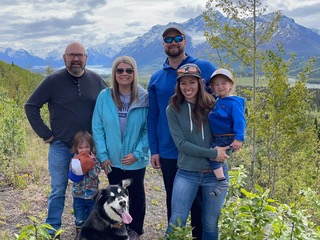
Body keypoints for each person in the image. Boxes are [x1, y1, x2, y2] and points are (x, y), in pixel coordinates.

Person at [24, 42, 107, 237]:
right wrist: (46, 133)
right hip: (61, 145)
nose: (76, 59)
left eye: (80, 55)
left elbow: (109, 104)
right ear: (64, 58)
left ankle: (88, 226)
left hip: (88, 149)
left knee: (90, 189)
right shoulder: (53, 80)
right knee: (58, 189)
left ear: (86, 58)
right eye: (72, 55)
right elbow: (31, 106)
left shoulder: (96, 80)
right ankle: (53, 229)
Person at [147, 25, 216, 238]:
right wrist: (154, 150)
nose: (173, 42)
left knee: (201, 207)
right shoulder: (156, 78)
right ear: (163, 45)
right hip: (169, 150)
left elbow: (223, 100)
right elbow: (153, 116)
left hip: (201, 151)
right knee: (174, 205)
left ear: (185, 41)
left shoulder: (203, 67)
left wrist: (229, 138)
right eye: (168, 39)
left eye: (178, 38)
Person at [165, 63, 230, 240]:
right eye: (183, 83)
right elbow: (182, 144)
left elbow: (228, 132)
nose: (187, 87)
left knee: (210, 224)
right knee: (176, 221)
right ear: (178, 85)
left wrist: (227, 150)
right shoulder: (173, 109)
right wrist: (213, 154)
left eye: (192, 82)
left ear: (200, 83)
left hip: (215, 175)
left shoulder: (214, 105)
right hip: (187, 172)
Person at [92, 56, 149, 240]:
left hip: (135, 160)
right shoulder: (104, 96)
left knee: (136, 194)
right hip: (112, 159)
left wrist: (137, 153)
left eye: (129, 70)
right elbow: (97, 127)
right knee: (115, 197)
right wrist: (103, 155)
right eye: (120, 70)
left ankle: (135, 230)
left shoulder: (143, 97)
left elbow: (149, 129)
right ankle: (118, 227)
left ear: (134, 73)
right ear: (114, 73)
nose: (124, 74)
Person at [208, 68, 246, 197]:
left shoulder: (233, 102)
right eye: (216, 84)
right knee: (216, 157)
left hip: (227, 137)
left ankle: (222, 181)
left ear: (231, 85)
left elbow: (240, 120)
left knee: (213, 155)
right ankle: (221, 181)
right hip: (220, 136)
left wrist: (239, 138)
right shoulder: (219, 100)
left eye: (224, 83)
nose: (220, 86)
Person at [68, 130, 101, 240]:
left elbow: (95, 174)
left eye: (87, 147)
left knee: (92, 217)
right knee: (79, 217)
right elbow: (74, 177)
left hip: (92, 195)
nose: (84, 150)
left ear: (91, 147)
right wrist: (80, 165)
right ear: (76, 148)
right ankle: (79, 234)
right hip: (78, 195)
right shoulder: (74, 160)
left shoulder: (95, 159)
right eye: (81, 147)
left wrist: (89, 164)